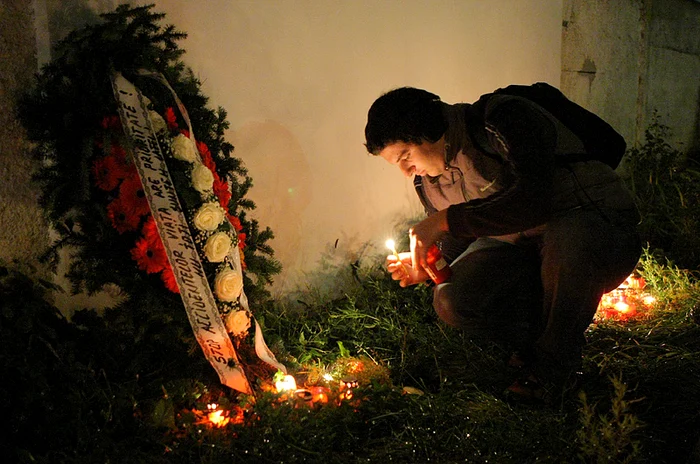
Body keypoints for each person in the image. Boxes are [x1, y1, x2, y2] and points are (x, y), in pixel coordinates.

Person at [364, 85, 641, 403]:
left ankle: (554, 369)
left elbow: (532, 201)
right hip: (523, 249)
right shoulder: (427, 181)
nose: (405, 171)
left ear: (425, 130)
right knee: (453, 299)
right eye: (396, 164)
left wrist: (442, 221)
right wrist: (428, 265)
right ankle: (534, 342)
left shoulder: (501, 119)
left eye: (405, 157)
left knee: (568, 243)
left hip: (594, 226)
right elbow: (461, 235)